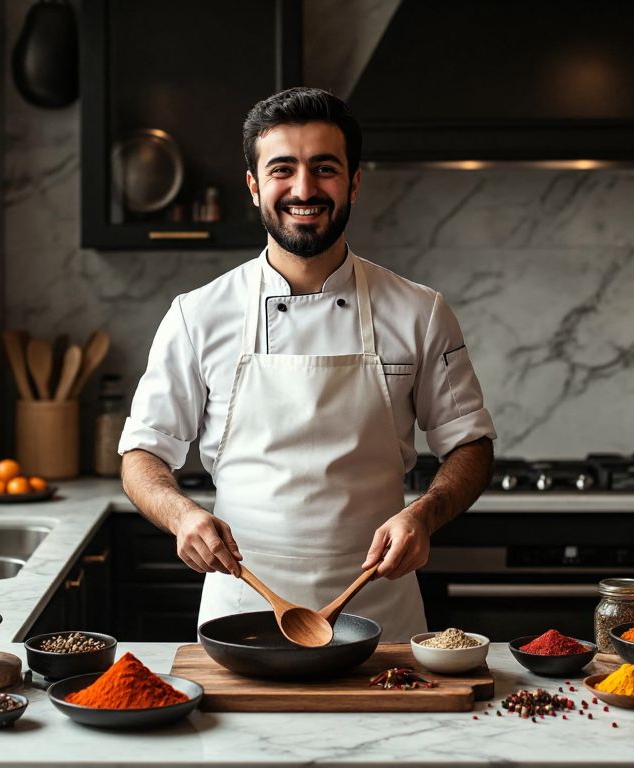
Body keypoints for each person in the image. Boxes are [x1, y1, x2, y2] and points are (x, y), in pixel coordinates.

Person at [118, 87, 495, 642]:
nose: (303, 189)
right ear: (253, 186)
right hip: (240, 612)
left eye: (324, 168)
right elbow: (143, 453)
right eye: (282, 169)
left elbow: (470, 444)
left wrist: (424, 515)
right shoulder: (197, 315)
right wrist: (182, 515)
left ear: (354, 182)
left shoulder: (418, 310)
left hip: (380, 616)